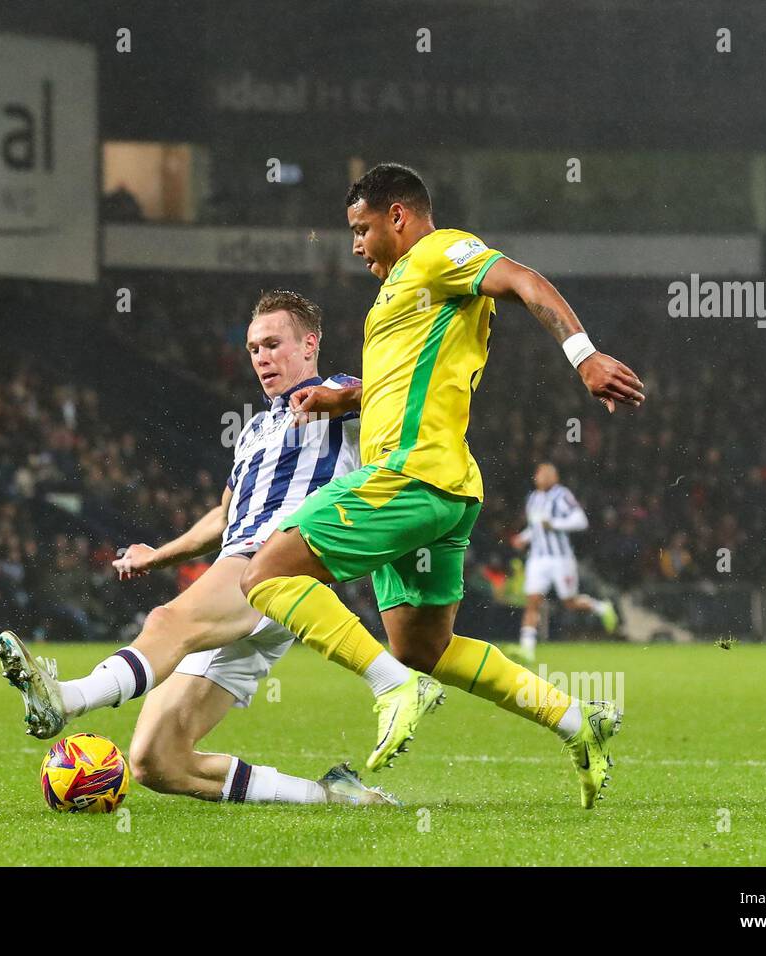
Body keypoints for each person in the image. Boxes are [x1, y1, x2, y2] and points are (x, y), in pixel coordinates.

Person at [238, 163, 645, 807]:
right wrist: (340, 398)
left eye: (361, 228)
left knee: (265, 575)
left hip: (411, 475)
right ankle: (577, 721)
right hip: (439, 489)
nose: (355, 246)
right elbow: (401, 386)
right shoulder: (401, 292)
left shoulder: (437, 252)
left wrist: (583, 355)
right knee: (421, 647)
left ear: (397, 216)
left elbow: (521, 279)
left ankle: (390, 688)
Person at [0, 290, 395, 806]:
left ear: (310, 343)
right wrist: (155, 555)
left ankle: (65, 699)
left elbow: (390, 396)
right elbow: (222, 517)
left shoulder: (339, 394)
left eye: (274, 344)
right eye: (253, 349)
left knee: (165, 623)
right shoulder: (254, 430)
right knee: (156, 761)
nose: (262, 358)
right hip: (243, 570)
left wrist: (342, 398)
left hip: (279, 562)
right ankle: (333, 796)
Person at [508, 463, 619, 665]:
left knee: (569, 602)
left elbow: (581, 521)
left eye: (547, 474)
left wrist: (555, 524)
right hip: (537, 559)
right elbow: (536, 528)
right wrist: (523, 538)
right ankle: (527, 650)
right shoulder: (532, 498)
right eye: (539, 474)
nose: (542, 477)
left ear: (555, 477)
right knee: (532, 601)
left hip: (561, 559)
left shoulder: (562, 495)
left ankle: (601, 607)